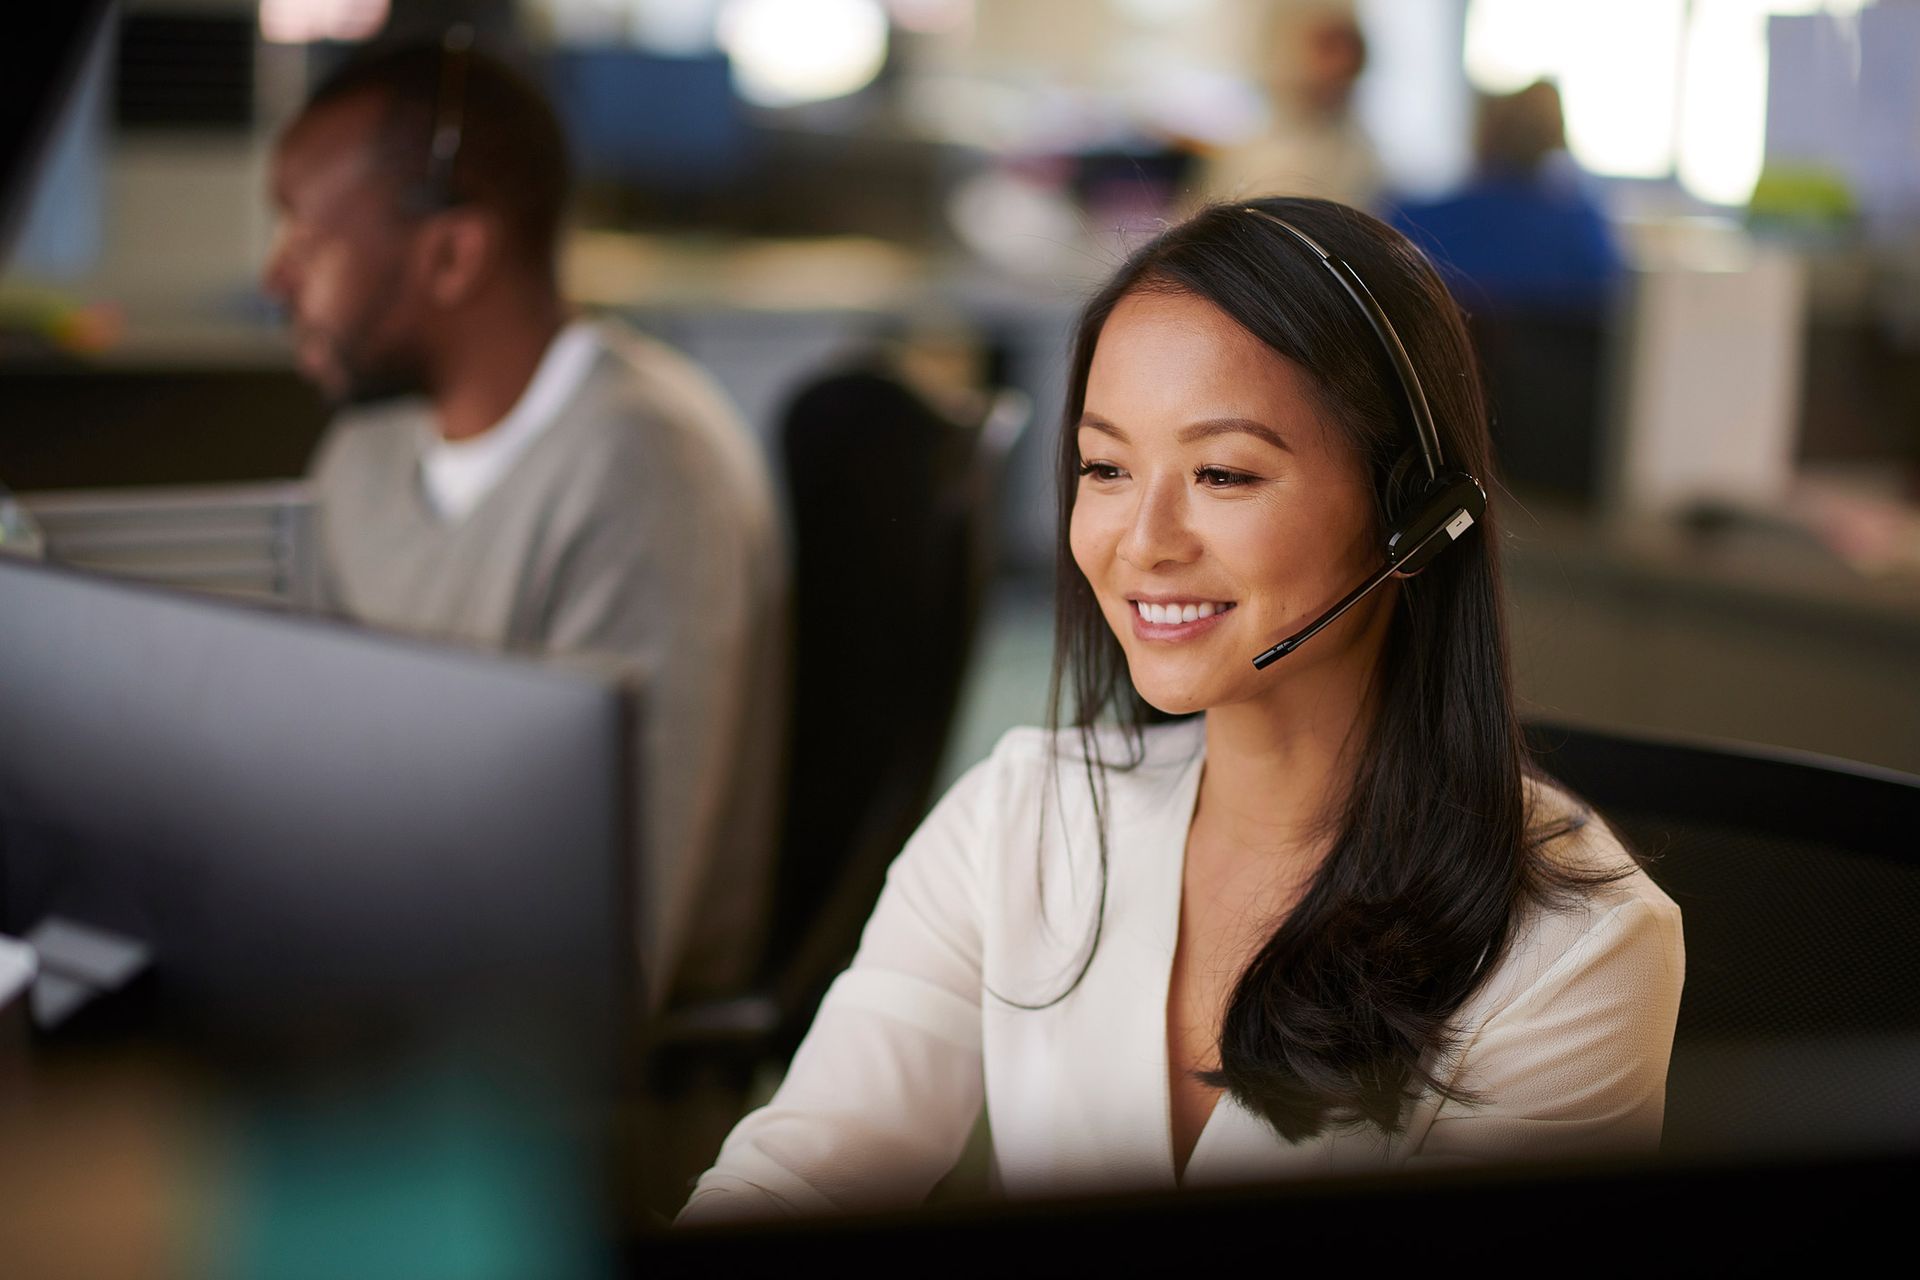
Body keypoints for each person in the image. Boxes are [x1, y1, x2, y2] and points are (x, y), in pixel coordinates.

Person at [679, 197, 1682, 1221]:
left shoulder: (1578, 950)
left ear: (1414, 514)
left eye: (1222, 472)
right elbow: (795, 1172)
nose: (1143, 539)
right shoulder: (1019, 816)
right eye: (1105, 467)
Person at [261, 36, 787, 1010]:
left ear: (453, 252)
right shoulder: (364, 457)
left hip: (556, 1087)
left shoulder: (644, 475)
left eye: (307, 238)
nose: (275, 276)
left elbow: (611, 943)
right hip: (381, 990)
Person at [1388, 80, 1624, 311]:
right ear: (1556, 140)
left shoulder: (1415, 224)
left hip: (1441, 349)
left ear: (1482, 132)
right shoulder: (1580, 234)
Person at [1195, 4, 1383, 210]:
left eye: (1349, 48)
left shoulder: (1359, 155)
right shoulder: (1256, 157)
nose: (1341, 65)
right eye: (1327, 48)